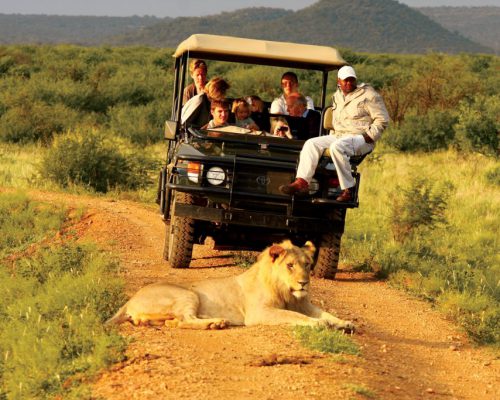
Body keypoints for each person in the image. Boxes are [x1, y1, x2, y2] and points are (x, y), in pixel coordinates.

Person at [279, 66, 390, 202]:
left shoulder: (369, 95)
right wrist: (330, 135)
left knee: (337, 147)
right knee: (311, 143)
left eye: (352, 80)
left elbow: (382, 119)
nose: (349, 83)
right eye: (346, 81)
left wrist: (369, 136)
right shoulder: (337, 96)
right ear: (339, 81)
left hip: (361, 137)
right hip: (340, 135)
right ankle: (302, 181)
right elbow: (337, 121)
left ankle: (348, 190)